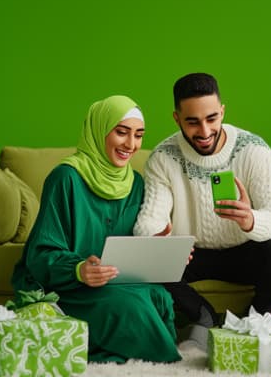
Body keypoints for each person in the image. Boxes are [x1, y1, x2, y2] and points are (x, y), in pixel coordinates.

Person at [11, 95, 182, 364]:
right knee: (130, 308)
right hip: (67, 286)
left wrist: (159, 247)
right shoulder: (66, 178)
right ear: (99, 130)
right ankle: (163, 359)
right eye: (121, 132)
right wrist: (79, 269)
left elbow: (129, 248)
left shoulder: (134, 183)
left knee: (159, 297)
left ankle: (112, 348)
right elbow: (40, 253)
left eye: (138, 135)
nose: (131, 144)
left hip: (112, 282)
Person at [133, 72, 271, 352]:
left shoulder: (254, 150)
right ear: (176, 118)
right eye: (192, 122)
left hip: (246, 251)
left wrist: (251, 220)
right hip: (191, 254)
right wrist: (159, 238)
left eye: (212, 119)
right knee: (143, 259)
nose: (205, 132)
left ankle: (255, 319)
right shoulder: (163, 157)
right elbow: (148, 221)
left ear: (222, 111)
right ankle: (201, 313)